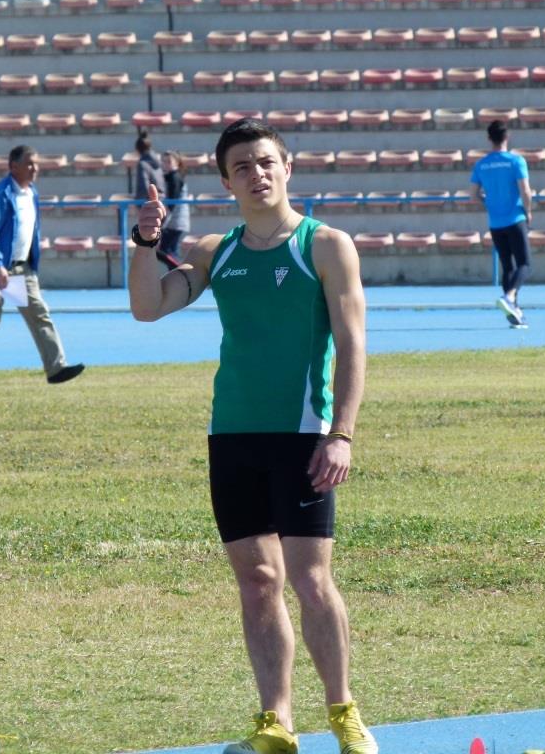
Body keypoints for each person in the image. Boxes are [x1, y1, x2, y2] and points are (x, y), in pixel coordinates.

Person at [129, 119, 378, 754]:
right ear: (226, 181)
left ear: (287, 169)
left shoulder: (327, 246)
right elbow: (148, 306)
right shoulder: (216, 250)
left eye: (266, 162)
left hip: (302, 435)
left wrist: (342, 434)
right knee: (258, 581)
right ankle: (276, 725)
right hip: (233, 437)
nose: (257, 174)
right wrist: (144, 243)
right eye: (242, 166)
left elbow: (353, 345)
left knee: (311, 580)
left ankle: (344, 713)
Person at [0, 145, 85, 385]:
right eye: (29, 163)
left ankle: (56, 368)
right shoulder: (0, 195)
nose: (34, 168)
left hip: (22, 269)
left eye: (36, 163)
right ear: (13, 166)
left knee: (40, 315)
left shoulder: (32, 193)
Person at [470, 120, 533, 327]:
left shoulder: (481, 164)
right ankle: (510, 297)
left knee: (507, 266)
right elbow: (525, 190)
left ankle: (513, 312)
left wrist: (489, 202)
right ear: (507, 137)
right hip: (515, 218)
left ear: (489, 138)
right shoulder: (516, 161)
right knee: (525, 264)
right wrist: (528, 211)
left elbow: (473, 195)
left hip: (496, 222)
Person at [159, 150, 190, 261]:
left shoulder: (174, 177)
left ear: (176, 163)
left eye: (169, 161)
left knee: (164, 251)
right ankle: (178, 271)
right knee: (171, 251)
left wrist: (163, 224)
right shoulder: (171, 176)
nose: (165, 164)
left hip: (175, 222)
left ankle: (180, 270)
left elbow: (171, 203)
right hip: (176, 221)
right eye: (163, 161)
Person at [132, 131, 166, 201]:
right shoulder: (158, 161)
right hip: (161, 200)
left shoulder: (142, 164)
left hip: (150, 202)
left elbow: (143, 189)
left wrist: (138, 202)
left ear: (137, 149)